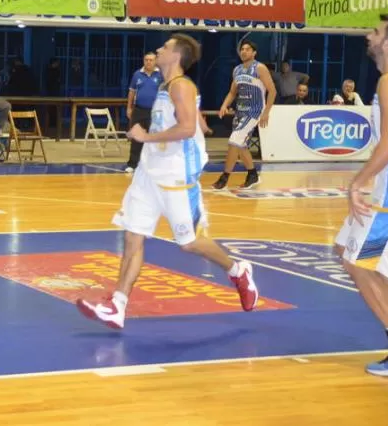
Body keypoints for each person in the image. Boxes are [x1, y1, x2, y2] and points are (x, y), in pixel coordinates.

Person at [76, 34, 259, 330]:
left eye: (164, 47)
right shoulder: (166, 86)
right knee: (132, 237)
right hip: (149, 172)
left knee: (188, 243)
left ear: (175, 56)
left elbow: (186, 128)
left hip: (176, 175)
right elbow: (191, 119)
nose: (158, 50)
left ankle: (238, 270)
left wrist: (147, 136)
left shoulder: (182, 85)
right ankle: (117, 306)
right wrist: (199, 122)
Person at [335, 15, 388, 377]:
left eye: (375, 32)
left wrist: (358, 181)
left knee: (359, 262)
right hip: (387, 189)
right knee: (346, 250)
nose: (367, 35)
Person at [213, 41, 276, 190]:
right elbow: (232, 92)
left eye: (248, 49)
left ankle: (224, 177)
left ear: (254, 53)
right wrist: (224, 105)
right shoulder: (237, 70)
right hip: (240, 111)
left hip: (254, 111)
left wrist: (266, 112)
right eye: (242, 49)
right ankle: (253, 174)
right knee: (241, 145)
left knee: (234, 141)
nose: (244, 52)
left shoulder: (259, 68)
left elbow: (272, 91)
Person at [125, 52, 162, 173]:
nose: (148, 62)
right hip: (139, 110)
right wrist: (129, 108)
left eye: (151, 60)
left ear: (155, 61)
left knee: (153, 138)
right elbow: (131, 92)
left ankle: (152, 164)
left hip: (154, 112)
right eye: (146, 60)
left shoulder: (160, 75)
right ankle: (132, 164)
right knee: (136, 137)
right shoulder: (137, 74)